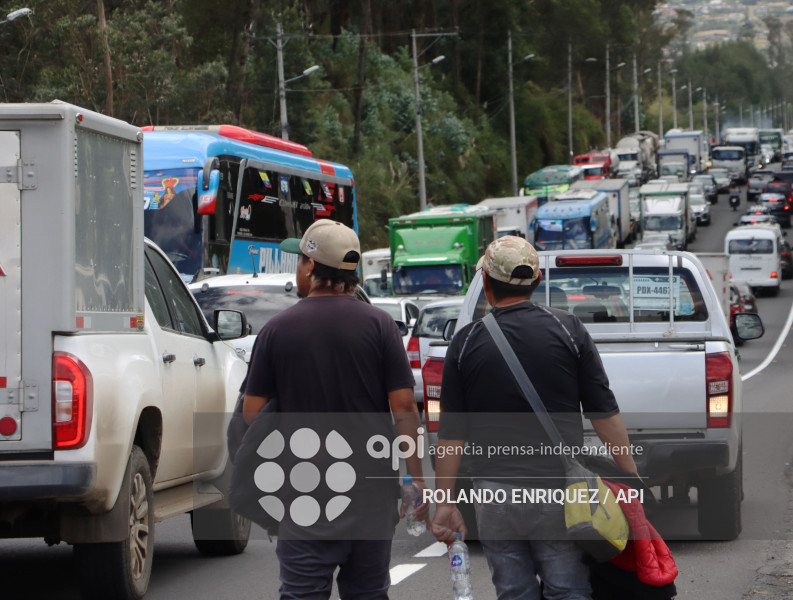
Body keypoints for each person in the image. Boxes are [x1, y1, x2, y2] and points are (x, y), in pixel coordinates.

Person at [431, 236, 638, 600]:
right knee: (568, 588)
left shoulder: (464, 343)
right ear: (538, 282)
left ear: (485, 284)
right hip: (559, 490)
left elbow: (451, 433)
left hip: (495, 494)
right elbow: (603, 410)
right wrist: (630, 474)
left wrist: (445, 502)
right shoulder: (568, 330)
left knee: (513, 591)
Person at [242, 219, 428, 600]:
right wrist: (414, 480)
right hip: (371, 496)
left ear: (310, 266)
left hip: (304, 494)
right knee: (369, 592)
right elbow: (405, 408)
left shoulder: (277, 330)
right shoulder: (380, 326)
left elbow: (251, 413)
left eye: (299, 261)